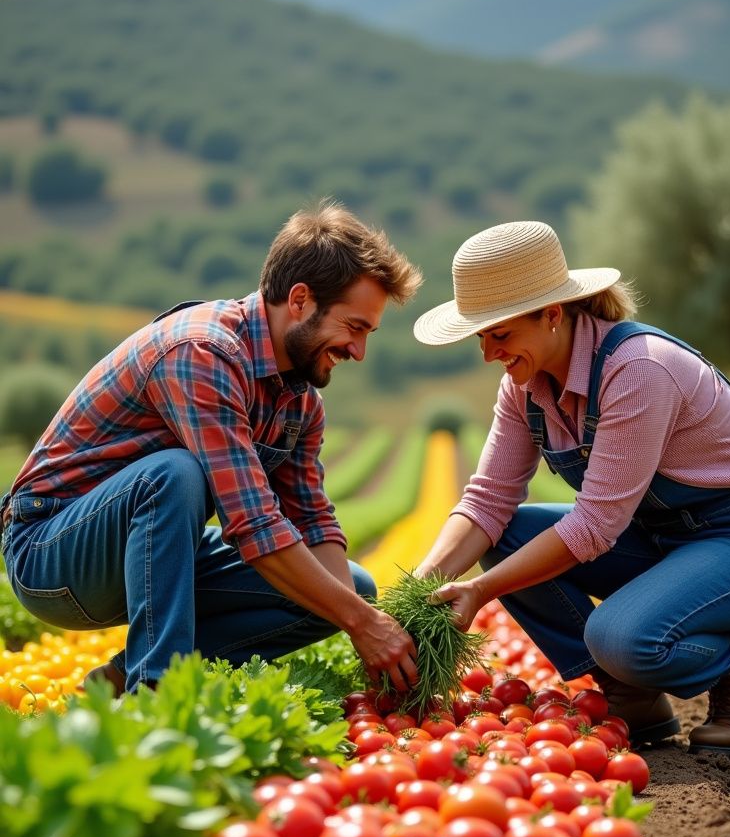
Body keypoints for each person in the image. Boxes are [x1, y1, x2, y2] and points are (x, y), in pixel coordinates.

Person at [413, 220, 730, 757]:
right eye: (481, 337)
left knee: (618, 637)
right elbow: (487, 498)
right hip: (662, 539)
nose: (489, 353)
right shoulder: (525, 386)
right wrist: (416, 592)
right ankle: (632, 696)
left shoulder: (637, 368)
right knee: (504, 532)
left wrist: (480, 592)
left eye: (500, 334)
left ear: (552, 314)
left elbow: (595, 526)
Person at [0, 202, 423, 696]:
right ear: (301, 300)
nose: (358, 351)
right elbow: (253, 522)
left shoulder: (300, 403)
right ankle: (155, 692)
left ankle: (117, 679)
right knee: (172, 474)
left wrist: (359, 618)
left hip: (156, 557)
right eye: (354, 327)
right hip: (53, 554)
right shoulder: (201, 351)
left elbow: (312, 522)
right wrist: (360, 623)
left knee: (353, 588)